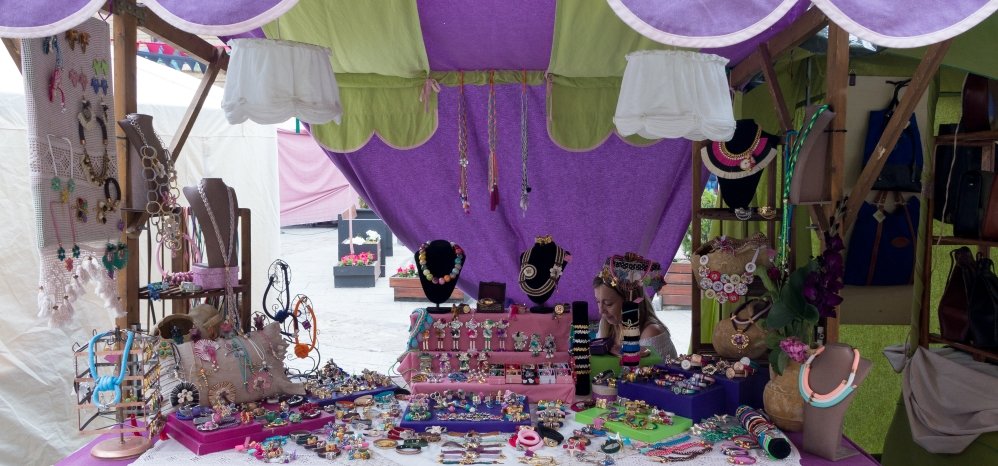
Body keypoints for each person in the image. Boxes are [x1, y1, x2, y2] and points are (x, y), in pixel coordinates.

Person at [593, 276, 678, 360]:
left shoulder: (651, 333)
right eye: (598, 301)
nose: (601, 311)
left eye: (608, 303)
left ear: (630, 301)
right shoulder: (606, 325)